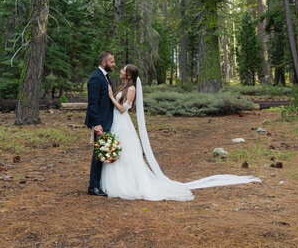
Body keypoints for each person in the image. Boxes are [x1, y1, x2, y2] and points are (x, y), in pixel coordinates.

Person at [100, 64, 261, 201]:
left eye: (123, 70)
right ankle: (120, 180)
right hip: (117, 123)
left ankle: (128, 183)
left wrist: (111, 97)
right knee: (122, 152)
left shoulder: (131, 89)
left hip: (123, 122)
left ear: (128, 75)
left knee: (127, 154)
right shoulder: (123, 86)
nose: (120, 71)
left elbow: (123, 109)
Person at [84, 51, 115, 196]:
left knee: (102, 152)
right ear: (104, 63)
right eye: (112, 62)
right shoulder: (96, 78)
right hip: (100, 122)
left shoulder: (104, 76)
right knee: (98, 153)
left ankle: (99, 183)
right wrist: (96, 124)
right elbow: (93, 103)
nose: (114, 64)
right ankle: (93, 187)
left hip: (106, 120)